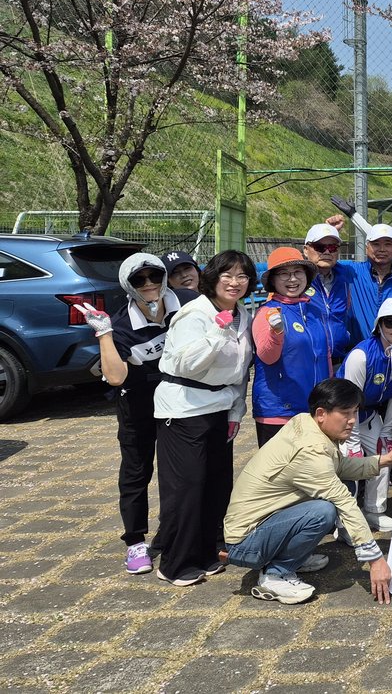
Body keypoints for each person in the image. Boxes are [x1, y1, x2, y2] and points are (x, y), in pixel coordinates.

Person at [222, 378, 392, 605]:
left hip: (262, 524)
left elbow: (339, 467)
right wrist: (375, 560)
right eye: (345, 413)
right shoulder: (310, 450)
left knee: (336, 494)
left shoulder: (306, 422)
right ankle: (276, 573)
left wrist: (384, 460)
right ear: (321, 413)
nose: (352, 420)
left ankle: (289, 556)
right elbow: (344, 502)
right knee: (324, 511)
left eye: (355, 412)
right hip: (246, 543)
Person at [75, 253, 183, 575]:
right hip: (137, 404)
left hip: (179, 401)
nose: (149, 284)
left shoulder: (183, 306)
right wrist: (104, 334)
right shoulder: (122, 324)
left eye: (155, 276)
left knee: (180, 470)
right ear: (128, 285)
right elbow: (115, 376)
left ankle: (177, 529)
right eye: (139, 279)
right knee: (136, 472)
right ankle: (135, 541)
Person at [153, 249, 256, 587]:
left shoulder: (242, 314)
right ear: (212, 277)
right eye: (227, 275)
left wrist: (236, 410)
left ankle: (207, 551)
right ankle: (175, 562)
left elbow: (241, 370)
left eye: (242, 276)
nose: (235, 282)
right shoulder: (195, 313)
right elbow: (186, 364)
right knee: (186, 488)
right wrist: (217, 333)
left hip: (220, 407)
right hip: (184, 408)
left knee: (216, 485)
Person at [337, 298, 392, 531]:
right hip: (341, 417)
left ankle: (374, 511)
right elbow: (348, 400)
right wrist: (352, 441)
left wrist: (386, 432)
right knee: (350, 459)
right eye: (390, 322)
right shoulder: (361, 355)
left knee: (384, 453)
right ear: (379, 325)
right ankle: (346, 521)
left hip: (369, 415)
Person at [252, 247, 333, 447]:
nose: (292, 279)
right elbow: (267, 356)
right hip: (279, 412)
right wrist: (276, 332)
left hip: (314, 410)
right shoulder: (267, 312)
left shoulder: (315, 311)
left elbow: (325, 357)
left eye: (298, 272)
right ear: (273, 280)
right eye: (284, 274)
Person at [325, 219, 392, 348]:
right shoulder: (351, 271)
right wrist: (330, 232)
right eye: (376, 244)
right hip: (356, 351)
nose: (382, 249)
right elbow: (323, 261)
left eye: (388, 244)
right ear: (366, 247)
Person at [302, 223, 351, 363]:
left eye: (332, 247)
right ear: (306, 250)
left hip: (339, 360)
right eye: (319, 247)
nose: (327, 252)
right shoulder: (295, 281)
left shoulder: (345, 278)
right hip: (309, 362)